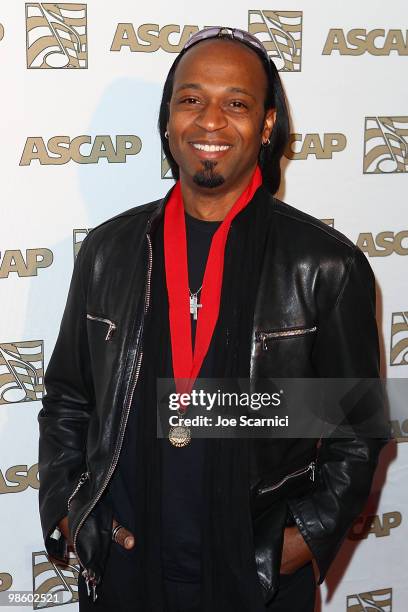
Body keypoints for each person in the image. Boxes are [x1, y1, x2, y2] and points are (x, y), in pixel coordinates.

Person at [38, 27, 388, 612]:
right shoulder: (108, 251)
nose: (210, 121)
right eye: (192, 99)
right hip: (125, 573)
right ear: (169, 116)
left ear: (268, 124)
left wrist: (294, 545)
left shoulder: (325, 265)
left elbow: (359, 431)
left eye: (237, 103)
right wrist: (72, 515)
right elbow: (69, 398)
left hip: (255, 579)